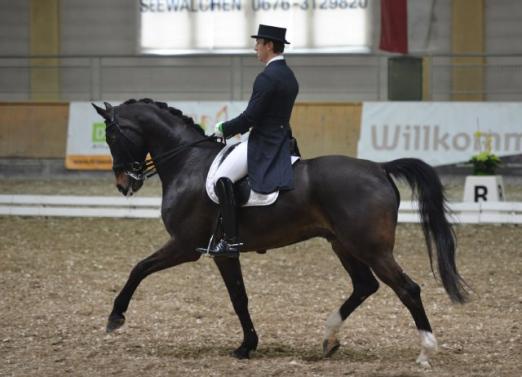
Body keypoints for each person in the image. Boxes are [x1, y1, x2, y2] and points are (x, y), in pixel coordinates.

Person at [206, 24, 299, 258]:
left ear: (269, 45)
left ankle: (230, 240)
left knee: (221, 178)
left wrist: (222, 129)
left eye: (258, 43)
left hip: (263, 143)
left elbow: (250, 118)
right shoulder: (289, 76)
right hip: (283, 139)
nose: (255, 47)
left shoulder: (267, 77)